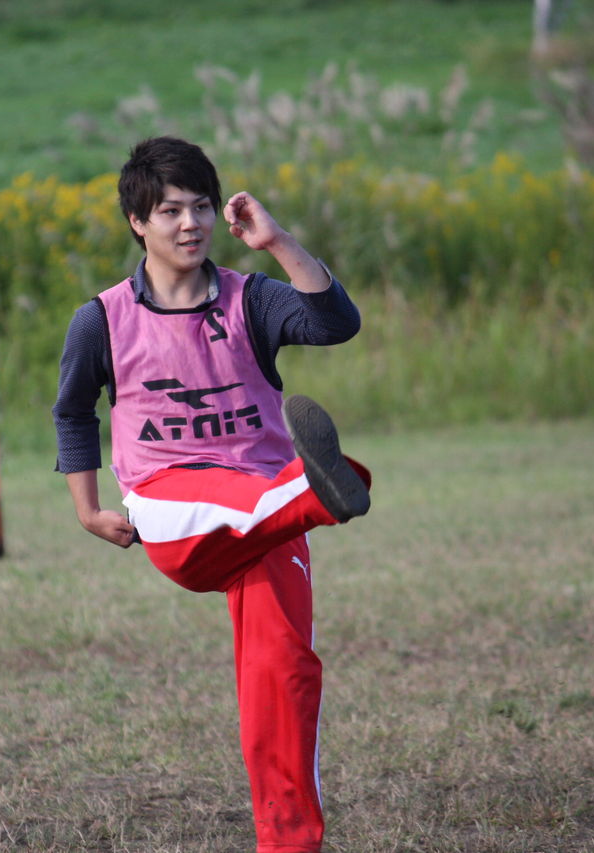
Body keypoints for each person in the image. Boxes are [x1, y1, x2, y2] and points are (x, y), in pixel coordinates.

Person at [52, 136, 371, 853]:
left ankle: (288, 844)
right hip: (172, 505)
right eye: (170, 210)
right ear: (138, 221)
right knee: (265, 501)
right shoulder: (101, 318)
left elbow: (336, 323)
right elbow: (73, 412)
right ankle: (318, 492)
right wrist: (87, 507)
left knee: (283, 675)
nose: (190, 222)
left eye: (201, 206)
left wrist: (276, 241)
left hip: (268, 510)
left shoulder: (250, 299)